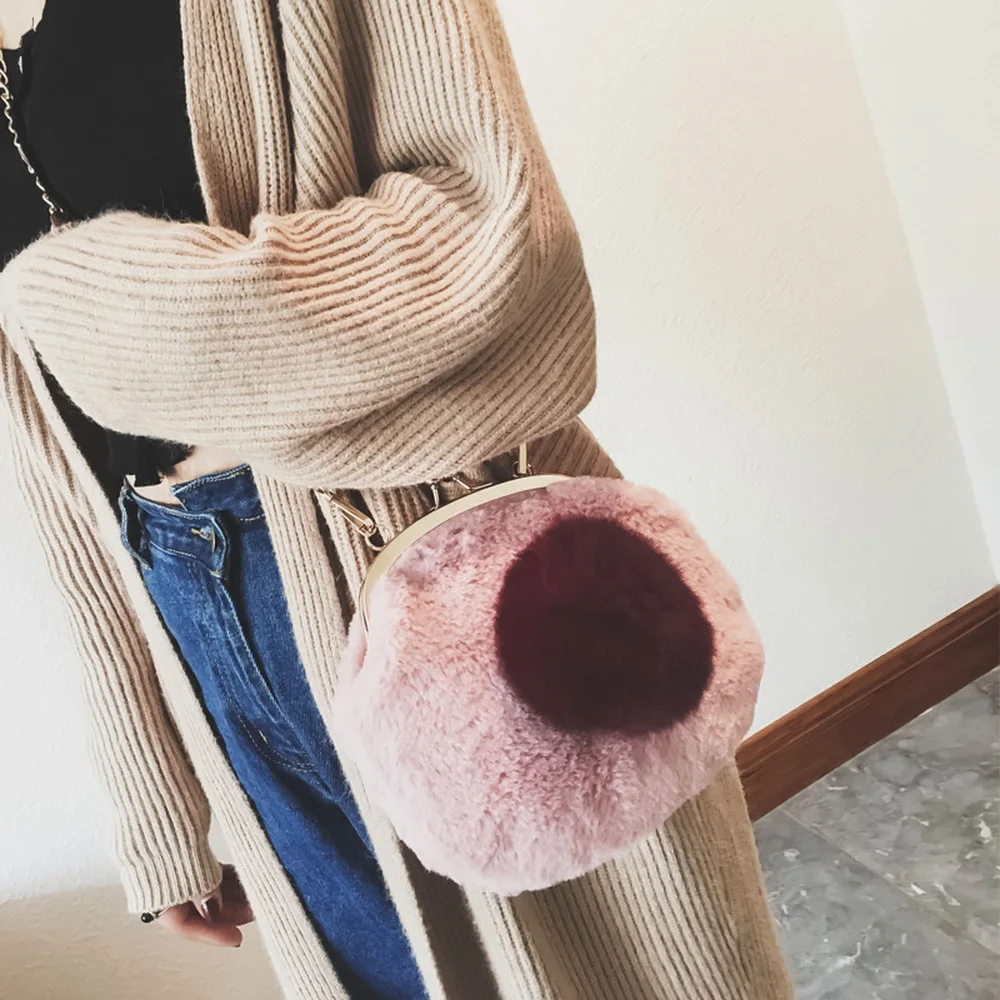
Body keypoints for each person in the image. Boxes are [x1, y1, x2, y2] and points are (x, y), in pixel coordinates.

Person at [0, 1, 793, 998]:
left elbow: (497, 236)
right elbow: (60, 477)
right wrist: (152, 795)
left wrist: (105, 308)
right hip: (189, 612)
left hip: (437, 559)